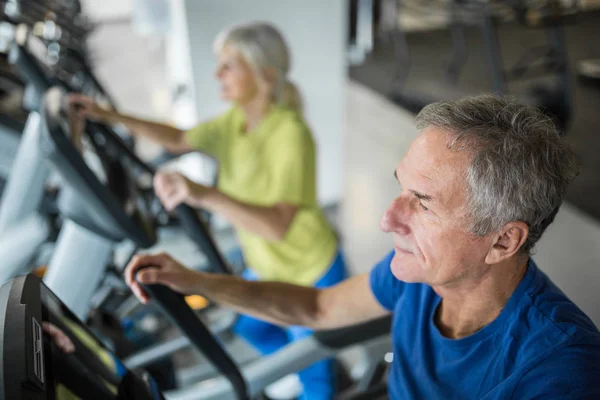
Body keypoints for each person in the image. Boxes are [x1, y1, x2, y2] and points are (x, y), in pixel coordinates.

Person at [126, 94, 600, 399]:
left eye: (424, 203)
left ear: (502, 240)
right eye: (400, 188)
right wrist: (192, 280)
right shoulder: (421, 276)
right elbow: (316, 307)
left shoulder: (560, 370)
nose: (387, 218)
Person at [69, 22, 345, 399]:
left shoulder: (290, 134)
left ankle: (318, 371)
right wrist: (107, 116)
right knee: (253, 329)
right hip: (266, 265)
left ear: (263, 72)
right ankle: (309, 364)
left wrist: (204, 195)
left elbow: (278, 226)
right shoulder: (235, 120)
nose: (218, 74)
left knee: (315, 375)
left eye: (229, 65)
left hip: (308, 270)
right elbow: (179, 138)